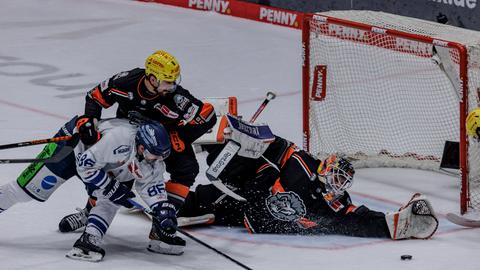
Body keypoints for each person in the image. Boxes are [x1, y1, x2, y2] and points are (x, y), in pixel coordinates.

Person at [178, 115, 439, 239]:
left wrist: (393, 224)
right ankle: (196, 146)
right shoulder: (303, 163)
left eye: (341, 183)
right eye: (336, 177)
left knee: (213, 204)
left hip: (252, 217)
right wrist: (244, 133)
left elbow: (356, 220)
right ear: (326, 168)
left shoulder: (333, 203)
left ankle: (176, 200)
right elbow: (272, 144)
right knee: (253, 171)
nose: (337, 186)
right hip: (248, 195)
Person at [58, 50, 216, 233]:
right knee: (117, 177)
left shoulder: (177, 97)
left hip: (165, 139)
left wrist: (181, 135)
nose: (172, 86)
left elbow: (207, 115)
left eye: (174, 81)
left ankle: (161, 227)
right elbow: (95, 96)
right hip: (130, 137)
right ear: (152, 78)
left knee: (187, 169)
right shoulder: (126, 82)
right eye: (167, 81)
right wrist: (89, 121)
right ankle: (89, 213)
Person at [65, 119, 184, 262]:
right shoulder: (120, 138)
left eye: (162, 155)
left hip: (103, 167)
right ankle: (86, 215)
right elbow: (85, 165)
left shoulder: (152, 159)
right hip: (73, 149)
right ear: (141, 147)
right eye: (156, 154)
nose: (159, 159)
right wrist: (110, 186)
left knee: (110, 199)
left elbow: (151, 186)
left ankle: (88, 240)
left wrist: (162, 209)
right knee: (31, 190)